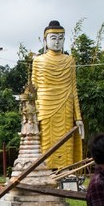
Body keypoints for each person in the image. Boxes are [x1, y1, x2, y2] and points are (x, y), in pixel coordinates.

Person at [31, 20, 84, 170]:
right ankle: (44, 171)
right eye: (53, 38)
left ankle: (66, 173)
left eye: (61, 38)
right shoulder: (38, 61)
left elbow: (73, 89)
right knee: (45, 141)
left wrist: (78, 117)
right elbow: (33, 90)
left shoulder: (69, 60)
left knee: (66, 141)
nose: (57, 42)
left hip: (66, 105)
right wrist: (31, 116)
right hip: (45, 106)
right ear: (45, 40)